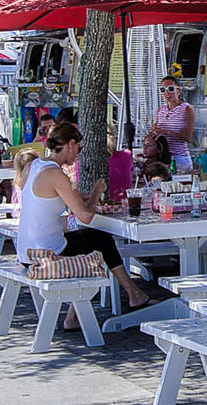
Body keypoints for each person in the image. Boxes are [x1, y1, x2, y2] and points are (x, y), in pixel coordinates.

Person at [15, 121, 151, 317]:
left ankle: (81, 313)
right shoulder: (56, 174)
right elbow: (86, 216)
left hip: (25, 250)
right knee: (101, 241)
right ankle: (131, 294)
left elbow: (48, 200)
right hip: (46, 252)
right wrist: (96, 193)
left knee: (95, 240)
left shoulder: (34, 166)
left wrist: (84, 197)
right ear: (71, 144)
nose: (78, 154)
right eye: (79, 147)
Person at [150, 77, 196, 172]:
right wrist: (155, 130)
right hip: (163, 158)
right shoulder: (161, 110)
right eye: (163, 90)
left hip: (179, 158)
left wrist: (165, 131)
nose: (167, 93)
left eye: (171, 89)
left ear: (178, 91)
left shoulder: (187, 109)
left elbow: (188, 137)